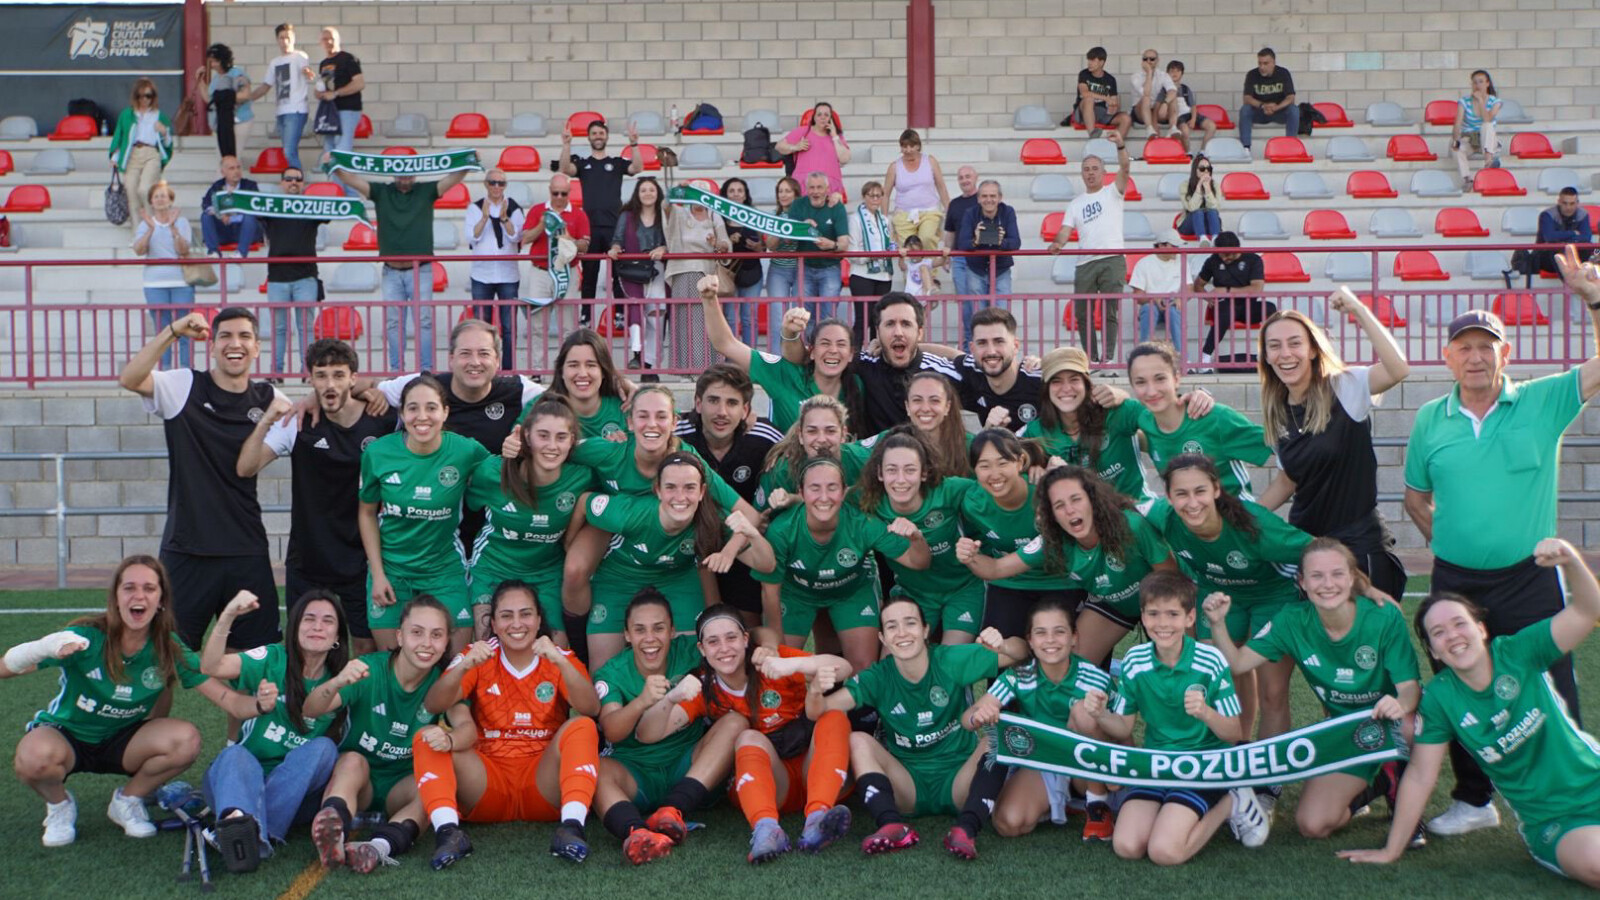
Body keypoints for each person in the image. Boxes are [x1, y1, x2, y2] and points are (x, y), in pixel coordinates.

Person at [1402, 247, 1600, 836]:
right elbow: (1416, 498)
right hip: (1455, 584)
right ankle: (1474, 799)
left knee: (1553, 683)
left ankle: (1580, 791)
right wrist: (1457, 540)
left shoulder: (1542, 400)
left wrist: (1593, 300)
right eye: (1464, 346)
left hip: (1529, 576)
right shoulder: (1429, 420)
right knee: (1458, 683)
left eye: (1486, 346)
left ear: (1504, 354)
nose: (1475, 356)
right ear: (1447, 357)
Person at [1339, 538, 1600, 888]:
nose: (1453, 636)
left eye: (1460, 624)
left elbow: (1586, 610)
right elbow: (1419, 777)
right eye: (1438, 633)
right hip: (1556, 820)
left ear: (1481, 629)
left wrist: (1570, 560)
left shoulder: (1518, 652)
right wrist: (1391, 849)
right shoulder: (1440, 699)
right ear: (1434, 650)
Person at [1, 556, 256, 848]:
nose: (139, 596)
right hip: (68, 735)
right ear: (116, 597)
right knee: (32, 759)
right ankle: (59, 806)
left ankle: (127, 800)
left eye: (149, 588)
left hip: (123, 741)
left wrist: (262, 701)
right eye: (129, 588)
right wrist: (43, 648)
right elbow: (6, 667)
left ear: (161, 600)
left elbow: (230, 701)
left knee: (185, 740)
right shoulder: (85, 639)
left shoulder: (168, 647)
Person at [1204, 538, 1421, 841]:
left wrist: (1398, 704)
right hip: (1344, 731)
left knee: (1414, 727)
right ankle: (1381, 782)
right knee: (1312, 824)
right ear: (1302, 582)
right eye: (1317, 576)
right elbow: (1239, 663)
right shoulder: (1292, 620)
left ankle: (1407, 794)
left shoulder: (1382, 616)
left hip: (1391, 722)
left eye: (1336, 574)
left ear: (1351, 577)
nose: (1327, 584)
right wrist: (1217, 624)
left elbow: (1410, 688)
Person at [119, 309, 286, 651]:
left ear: (257, 348)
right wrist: (173, 331)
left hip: (245, 550)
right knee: (162, 656)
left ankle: (237, 709)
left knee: (250, 662)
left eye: (244, 336)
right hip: (186, 549)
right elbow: (131, 378)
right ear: (212, 345)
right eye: (225, 336)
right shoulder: (183, 385)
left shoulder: (272, 401)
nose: (234, 344)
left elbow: (317, 413)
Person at [1077, 570, 1271, 863]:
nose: (1163, 623)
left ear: (1190, 618)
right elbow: (1123, 728)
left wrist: (1205, 712)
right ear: (1142, 616)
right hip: (1157, 763)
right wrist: (1101, 714)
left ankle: (1232, 800)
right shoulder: (1134, 661)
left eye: (1172, 614)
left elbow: (1233, 732)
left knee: (1165, 852)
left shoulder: (1211, 660)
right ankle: (1173, 810)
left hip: (1203, 764)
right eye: (1153, 614)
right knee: (1127, 847)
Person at [809, 598, 1026, 859]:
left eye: (910, 623)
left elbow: (1022, 652)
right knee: (857, 739)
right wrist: (815, 691)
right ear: (883, 638)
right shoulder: (878, 677)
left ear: (925, 630)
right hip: (907, 786)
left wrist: (1004, 644)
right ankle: (891, 824)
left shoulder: (949, 660)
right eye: (892, 626)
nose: (901, 633)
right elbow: (819, 711)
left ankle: (966, 829)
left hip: (959, 781)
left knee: (997, 734)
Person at [633, 606, 854, 863]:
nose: (724, 648)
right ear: (702, 650)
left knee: (834, 716)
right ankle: (766, 829)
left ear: (746, 639)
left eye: (731, 638)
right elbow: (645, 734)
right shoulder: (704, 685)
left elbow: (844, 668)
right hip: (768, 783)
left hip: (814, 772)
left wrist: (792, 664)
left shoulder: (771, 663)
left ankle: (818, 819)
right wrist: (671, 698)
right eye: (713, 642)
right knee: (748, 737)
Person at [1148, 453, 1312, 791]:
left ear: (1216, 490)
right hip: (1221, 595)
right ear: (1168, 496)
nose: (1191, 503)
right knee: (1219, 671)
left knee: (1273, 689)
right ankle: (1238, 748)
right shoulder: (1164, 516)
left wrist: (1364, 586)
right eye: (1181, 494)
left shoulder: (1255, 524)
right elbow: (1124, 509)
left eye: (1199, 492)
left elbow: (1318, 549)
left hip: (1273, 595)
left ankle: (1268, 783)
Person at [412, 580, 602, 868]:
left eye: (526, 614)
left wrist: (561, 662)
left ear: (539, 619)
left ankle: (572, 826)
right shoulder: (478, 655)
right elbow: (433, 704)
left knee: (583, 727)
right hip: (488, 783)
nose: (517, 624)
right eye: (506, 615)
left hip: (542, 782)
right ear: (494, 623)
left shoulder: (556, 655)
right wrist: (463, 665)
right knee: (427, 736)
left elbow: (591, 708)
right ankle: (448, 832)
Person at [238, 339, 395, 655]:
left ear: (354, 378)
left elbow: (423, 392)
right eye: (321, 376)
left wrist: (373, 388)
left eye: (338, 375)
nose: (330, 383)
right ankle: (308, 706)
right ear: (310, 379)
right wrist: (267, 420)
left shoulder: (385, 419)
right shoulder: (298, 423)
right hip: (309, 560)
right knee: (304, 650)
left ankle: (355, 706)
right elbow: (246, 467)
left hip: (363, 559)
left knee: (366, 647)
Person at [1253, 291, 1412, 600]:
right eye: (1274, 346)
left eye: (1295, 343)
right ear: (1267, 357)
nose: (1285, 354)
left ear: (1313, 349)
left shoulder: (1343, 386)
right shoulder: (1277, 410)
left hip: (1359, 545)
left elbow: (1398, 370)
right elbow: (1289, 479)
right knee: (1311, 645)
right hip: (1309, 546)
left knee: (1368, 644)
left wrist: (1359, 310)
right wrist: (1245, 518)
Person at [961, 466, 1177, 668]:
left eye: (1076, 499)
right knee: (1068, 666)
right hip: (1113, 603)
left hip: (1161, 597)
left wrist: (1157, 616)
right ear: (1050, 515)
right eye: (1059, 506)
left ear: (1093, 500)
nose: (1070, 510)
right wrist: (970, 555)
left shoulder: (1130, 525)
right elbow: (996, 569)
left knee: (1178, 663)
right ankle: (1100, 702)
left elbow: (1171, 578)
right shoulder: (1052, 542)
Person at [591, 589, 747, 865]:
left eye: (658, 628)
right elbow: (612, 730)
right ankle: (636, 832)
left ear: (673, 631)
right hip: (635, 771)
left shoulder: (690, 651)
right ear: (627, 635)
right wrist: (641, 702)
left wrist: (768, 645)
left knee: (735, 723)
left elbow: (754, 636)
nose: (650, 639)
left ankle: (673, 810)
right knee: (597, 769)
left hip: (688, 766)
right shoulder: (613, 671)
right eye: (639, 630)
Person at [198, 589, 348, 872]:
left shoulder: (341, 680)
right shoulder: (272, 657)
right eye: (309, 619)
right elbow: (211, 666)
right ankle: (251, 829)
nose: (317, 626)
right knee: (235, 755)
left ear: (338, 635)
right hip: (237, 781)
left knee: (324, 750)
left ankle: (241, 827)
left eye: (328, 621)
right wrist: (228, 614)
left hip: (294, 794)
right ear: (294, 628)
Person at [580, 452, 772, 670]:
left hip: (677, 577)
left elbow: (767, 565)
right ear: (658, 491)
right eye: (671, 487)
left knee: (692, 663)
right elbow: (584, 503)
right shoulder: (629, 512)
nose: (680, 497)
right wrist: (571, 547)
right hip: (619, 577)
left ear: (702, 492)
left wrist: (741, 541)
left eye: (690, 487)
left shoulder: (710, 519)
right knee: (603, 671)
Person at [303, 596, 449, 874]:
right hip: (362, 782)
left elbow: (467, 729)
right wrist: (336, 682)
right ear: (400, 636)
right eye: (417, 633)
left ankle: (378, 847)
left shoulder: (444, 683)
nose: (427, 643)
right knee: (351, 761)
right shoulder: (370, 669)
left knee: (432, 787)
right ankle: (334, 825)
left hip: (401, 785)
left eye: (436, 635)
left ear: (445, 641)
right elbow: (310, 709)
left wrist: (449, 738)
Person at [963, 597, 1117, 841]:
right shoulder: (1021, 674)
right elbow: (967, 718)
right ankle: (1059, 799)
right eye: (1041, 633)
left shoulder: (1096, 679)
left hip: (1086, 763)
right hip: (1045, 760)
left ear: (1074, 637)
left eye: (1059, 632)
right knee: (1007, 823)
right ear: (1030, 641)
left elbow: (1120, 730)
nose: (1050, 641)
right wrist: (979, 716)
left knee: (1083, 712)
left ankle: (1098, 805)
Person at [758, 457, 931, 674]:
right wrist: (776, 647)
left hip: (852, 591)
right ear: (801, 493)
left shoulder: (862, 524)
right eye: (814, 488)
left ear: (843, 491)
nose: (824, 497)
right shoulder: (782, 530)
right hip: (797, 595)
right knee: (783, 668)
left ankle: (855, 707)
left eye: (832, 488)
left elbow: (919, 561)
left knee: (864, 670)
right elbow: (770, 592)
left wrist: (916, 538)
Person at [358, 374, 491, 651]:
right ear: (402, 413)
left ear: (445, 412)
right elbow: (367, 513)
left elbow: (505, 475)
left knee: (457, 662)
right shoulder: (379, 453)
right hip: (392, 569)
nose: (422, 416)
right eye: (413, 408)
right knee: (395, 662)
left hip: (443, 569)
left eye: (431, 407)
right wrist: (378, 574)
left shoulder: (465, 450)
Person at [464, 398, 594, 647]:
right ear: (527, 436)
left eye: (561, 437)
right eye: (543, 436)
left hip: (545, 571)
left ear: (572, 441)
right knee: (484, 641)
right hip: (493, 566)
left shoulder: (582, 477)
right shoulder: (493, 472)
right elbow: (470, 505)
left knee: (557, 648)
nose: (552, 446)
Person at [674, 365, 784, 626]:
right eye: (713, 400)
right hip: (689, 539)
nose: (722, 412)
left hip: (743, 535)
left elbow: (794, 455)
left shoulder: (764, 437)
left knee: (745, 626)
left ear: (746, 410)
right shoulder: (677, 436)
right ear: (698, 403)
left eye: (732, 403)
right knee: (697, 625)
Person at [333, 163, 471, 373]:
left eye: (408, 175)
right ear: (394, 174)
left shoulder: (426, 191)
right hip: (392, 270)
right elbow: (354, 181)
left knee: (424, 322)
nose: (405, 179)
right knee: (393, 323)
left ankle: (426, 369)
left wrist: (467, 162)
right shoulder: (382, 191)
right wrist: (334, 166)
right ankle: (396, 369)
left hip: (420, 269)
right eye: (401, 175)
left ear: (415, 175)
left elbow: (452, 180)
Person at [856, 430, 986, 643]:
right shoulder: (869, 500)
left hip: (962, 588)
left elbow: (995, 488)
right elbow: (830, 500)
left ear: (924, 473)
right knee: (894, 665)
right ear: (879, 473)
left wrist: (1034, 465)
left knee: (952, 665)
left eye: (910, 470)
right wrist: (792, 499)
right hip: (913, 591)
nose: (900, 480)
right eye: (891, 470)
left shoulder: (948, 490)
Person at [953, 429, 1075, 639]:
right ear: (974, 470)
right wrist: (969, 555)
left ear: (1020, 462)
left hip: (1061, 581)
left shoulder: (1046, 491)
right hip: (1009, 583)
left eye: (1002, 463)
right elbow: (991, 567)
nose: (994, 474)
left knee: (1061, 654)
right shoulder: (973, 504)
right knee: (997, 654)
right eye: (984, 466)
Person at [703, 278, 865, 434]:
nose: (833, 350)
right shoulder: (785, 375)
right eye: (825, 343)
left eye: (841, 344)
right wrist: (709, 299)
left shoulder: (858, 385)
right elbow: (725, 343)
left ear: (851, 355)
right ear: (812, 351)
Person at [364, 319, 546, 458]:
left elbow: (562, 400)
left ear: (497, 360)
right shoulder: (424, 385)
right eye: (465, 353)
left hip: (493, 498)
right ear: (451, 359)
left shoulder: (518, 390)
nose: (475, 362)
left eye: (484, 354)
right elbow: (358, 383)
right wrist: (373, 392)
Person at [785, 293, 961, 436]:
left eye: (906, 324)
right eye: (890, 324)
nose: (898, 332)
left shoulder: (942, 372)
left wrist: (920, 347)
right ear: (878, 332)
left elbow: (976, 367)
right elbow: (803, 358)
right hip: (876, 469)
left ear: (920, 332)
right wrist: (789, 332)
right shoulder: (865, 363)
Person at [1022, 346, 1179, 505]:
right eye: (1056, 381)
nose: (1066, 389)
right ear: (1047, 388)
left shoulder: (1117, 412)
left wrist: (1199, 398)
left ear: (1086, 384)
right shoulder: (1036, 430)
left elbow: (1166, 418)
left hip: (1135, 512)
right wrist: (1035, 469)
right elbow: (1011, 459)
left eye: (1074, 379)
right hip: (1081, 521)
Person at [1128, 341, 1271, 499]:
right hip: (1189, 517)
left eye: (1160, 379)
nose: (1151, 391)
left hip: (1234, 516)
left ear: (1176, 379)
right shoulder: (1145, 421)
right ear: (1132, 386)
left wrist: (1259, 510)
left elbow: (1284, 447)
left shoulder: (1215, 417)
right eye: (1140, 382)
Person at [1049, 132, 1130, 363]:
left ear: (1104, 172)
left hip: (1112, 258)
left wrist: (1121, 145)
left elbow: (1125, 169)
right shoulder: (1076, 203)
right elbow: (1066, 229)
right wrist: (1058, 243)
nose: (1091, 172)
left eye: (1095, 168)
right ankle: (1093, 359)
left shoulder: (1112, 192)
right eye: (1087, 169)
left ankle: (1110, 359)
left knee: (1109, 311)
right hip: (1085, 262)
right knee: (1082, 313)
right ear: (1082, 174)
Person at [561, 117, 643, 320]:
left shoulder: (616, 163)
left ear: (606, 136)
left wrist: (634, 144)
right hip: (589, 227)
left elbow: (637, 168)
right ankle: (586, 314)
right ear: (589, 137)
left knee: (617, 272)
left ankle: (619, 314)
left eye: (601, 133)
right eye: (594, 133)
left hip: (614, 227)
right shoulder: (583, 163)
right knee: (590, 273)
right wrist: (566, 144)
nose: (598, 136)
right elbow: (565, 169)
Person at [257, 166, 324, 376]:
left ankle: (307, 372)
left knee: (305, 328)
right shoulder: (271, 208)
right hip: (277, 278)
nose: (293, 182)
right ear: (282, 183)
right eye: (288, 179)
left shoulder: (312, 207)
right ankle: (276, 373)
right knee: (279, 329)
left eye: (298, 179)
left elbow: (334, 212)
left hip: (306, 277)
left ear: (303, 184)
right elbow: (249, 210)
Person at [756, 394, 876, 504]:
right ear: (800, 435)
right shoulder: (781, 473)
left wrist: (796, 499)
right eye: (812, 431)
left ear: (843, 434)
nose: (822, 439)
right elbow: (762, 519)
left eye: (830, 431)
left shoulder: (865, 461)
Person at [663, 188, 731, 372]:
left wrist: (716, 244)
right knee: (683, 322)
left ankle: (710, 368)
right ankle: (685, 369)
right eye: (694, 195)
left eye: (702, 196)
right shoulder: (680, 213)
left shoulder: (714, 216)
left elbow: (726, 245)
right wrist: (676, 190)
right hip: (682, 272)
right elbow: (666, 207)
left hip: (707, 274)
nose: (699, 200)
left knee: (707, 322)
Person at [131, 182, 195, 370]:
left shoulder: (181, 222)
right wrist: (151, 229)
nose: (160, 199)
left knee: (185, 327)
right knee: (163, 331)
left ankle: (186, 369)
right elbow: (138, 250)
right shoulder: (145, 224)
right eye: (156, 196)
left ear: (171, 200)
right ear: (151, 201)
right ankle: (166, 369)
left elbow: (183, 250)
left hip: (181, 282)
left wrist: (173, 227)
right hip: (155, 283)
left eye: (164, 196)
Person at [466, 168, 526, 368]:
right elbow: (472, 237)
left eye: (501, 183)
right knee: (481, 327)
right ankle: (483, 366)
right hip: (482, 274)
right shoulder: (475, 208)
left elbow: (516, 237)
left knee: (509, 327)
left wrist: (503, 219)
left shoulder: (514, 208)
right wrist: (484, 218)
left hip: (507, 274)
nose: (497, 187)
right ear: (486, 184)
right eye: (492, 182)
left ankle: (508, 370)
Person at [606, 177, 666, 376]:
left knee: (656, 317)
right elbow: (617, 240)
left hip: (656, 270)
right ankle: (637, 353)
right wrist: (614, 249)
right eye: (643, 190)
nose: (648, 193)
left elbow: (671, 239)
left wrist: (664, 248)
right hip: (632, 270)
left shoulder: (664, 214)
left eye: (651, 189)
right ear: (637, 194)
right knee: (635, 308)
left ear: (657, 193)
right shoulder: (627, 215)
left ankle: (650, 364)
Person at [523, 172, 592, 342]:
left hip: (567, 272)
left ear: (570, 192)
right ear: (549, 191)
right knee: (537, 326)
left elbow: (585, 246)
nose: (559, 197)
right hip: (541, 271)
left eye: (564, 193)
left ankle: (566, 367)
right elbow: (525, 239)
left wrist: (570, 241)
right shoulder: (537, 210)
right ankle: (537, 369)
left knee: (568, 326)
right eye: (555, 193)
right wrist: (541, 225)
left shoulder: (579, 214)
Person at [1194, 231, 1274, 371]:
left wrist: (1226, 291)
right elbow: (1198, 284)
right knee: (1225, 310)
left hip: (1249, 304)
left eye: (1229, 254)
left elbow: (1257, 288)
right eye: (1222, 254)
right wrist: (1208, 298)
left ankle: (1269, 352)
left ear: (1238, 248)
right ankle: (1205, 355)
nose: (1225, 258)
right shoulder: (1213, 260)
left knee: (1271, 308)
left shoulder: (1253, 259)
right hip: (1224, 305)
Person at [953, 307, 1041, 432]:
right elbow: (931, 358)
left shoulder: (1039, 381)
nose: (991, 351)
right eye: (982, 343)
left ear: (1015, 346)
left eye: (999, 341)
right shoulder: (971, 371)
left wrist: (1050, 362)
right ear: (972, 349)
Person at [785, 171, 851, 325]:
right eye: (812, 188)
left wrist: (831, 245)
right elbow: (787, 239)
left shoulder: (836, 207)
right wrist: (801, 227)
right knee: (801, 317)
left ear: (827, 189)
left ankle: (823, 348)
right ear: (806, 189)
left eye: (819, 187)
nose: (815, 192)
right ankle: (804, 349)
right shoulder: (798, 205)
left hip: (830, 268)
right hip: (804, 267)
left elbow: (844, 243)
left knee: (827, 317)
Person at [109, 78, 174, 228]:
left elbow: (168, 144)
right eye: (140, 96)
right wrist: (115, 155)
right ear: (135, 96)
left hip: (151, 153)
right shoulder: (127, 114)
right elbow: (120, 135)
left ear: (154, 97)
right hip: (131, 155)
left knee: (145, 189)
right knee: (131, 193)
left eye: (148, 96)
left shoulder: (159, 115)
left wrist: (164, 132)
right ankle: (138, 234)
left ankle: (153, 226)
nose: (144, 100)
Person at [949, 180, 1021, 316]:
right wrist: (976, 240)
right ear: (978, 198)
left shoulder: (1008, 212)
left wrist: (1001, 242)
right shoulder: (970, 213)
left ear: (1000, 198)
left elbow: (1016, 242)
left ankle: (1001, 337)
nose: (989, 200)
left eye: (993, 196)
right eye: (984, 196)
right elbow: (962, 243)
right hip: (976, 270)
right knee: (978, 315)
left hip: (1001, 270)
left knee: (1002, 314)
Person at [249, 23, 314, 172]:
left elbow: (306, 68)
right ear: (277, 40)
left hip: (296, 110)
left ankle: (297, 180)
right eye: (281, 38)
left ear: (293, 39)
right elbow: (266, 86)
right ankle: (295, 179)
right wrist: (247, 99)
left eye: (288, 38)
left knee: (289, 151)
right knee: (288, 151)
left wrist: (308, 72)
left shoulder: (300, 56)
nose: (285, 41)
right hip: (281, 112)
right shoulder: (275, 62)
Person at [545, 327, 631, 439]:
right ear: (561, 371)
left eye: (591, 365)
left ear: (603, 371)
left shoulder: (625, 407)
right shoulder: (541, 407)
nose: (582, 374)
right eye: (573, 365)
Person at [883, 129, 949, 266]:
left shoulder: (930, 161)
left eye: (911, 146)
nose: (908, 150)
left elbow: (941, 186)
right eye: (904, 146)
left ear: (918, 146)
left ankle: (931, 275)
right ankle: (912, 280)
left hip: (929, 211)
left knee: (927, 237)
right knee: (908, 249)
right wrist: (883, 219)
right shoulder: (894, 166)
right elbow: (886, 194)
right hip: (904, 214)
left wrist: (949, 209)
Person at [847, 180, 896, 347]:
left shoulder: (885, 220)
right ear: (864, 197)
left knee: (879, 320)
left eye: (878, 196)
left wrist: (893, 250)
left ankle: (877, 355)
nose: (875, 199)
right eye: (871, 195)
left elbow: (890, 243)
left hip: (884, 275)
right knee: (863, 318)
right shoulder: (855, 219)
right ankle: (855, 357)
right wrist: (872, 257)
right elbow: (852, 252)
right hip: (862, 274)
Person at [719, 178, 767, 345]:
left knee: (749, 318)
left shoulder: (755, 216)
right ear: (725, 194)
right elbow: (714, 246)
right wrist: (728, 242)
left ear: (746, 195)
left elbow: (764, 247)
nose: (736, 194)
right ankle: (731, 360)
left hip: (752, 273)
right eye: (732, 191)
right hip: (729, 275)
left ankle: (750, 358)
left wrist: (757, 247)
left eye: (740, 191)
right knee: (730, 319)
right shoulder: (719, 217)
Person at [315, 27, 364, 189]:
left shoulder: (349, 59)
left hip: (348, 110)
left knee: (342, 155)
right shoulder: (323, 64)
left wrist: (335, 94)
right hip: (330, 114)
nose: (328, 42)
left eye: (331, 38)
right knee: (330, 155)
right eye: (324, 39)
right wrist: (320, 93)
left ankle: (350, 196)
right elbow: (325, 86)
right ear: (320, 42)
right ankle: (338, 192)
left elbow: (359, 83)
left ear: (338, 39)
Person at [763, 176, 806, 351]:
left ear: (796, 193)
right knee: (777, 316)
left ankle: (796, 358)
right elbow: (770, 246)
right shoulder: (774, 215)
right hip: (778, 270)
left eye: (788, 191)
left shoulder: (803, 213)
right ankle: (775, 359)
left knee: (798, 317)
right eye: (780, 191)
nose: (783, 195)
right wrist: (781, 231)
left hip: (800, 270)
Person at [777, 101, 851, 200]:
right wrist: (795, 147)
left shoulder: (836, 136)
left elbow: (844, 159)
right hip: (804, 184)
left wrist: (834, 136)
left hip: (829, 186)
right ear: (814, 117)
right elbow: (779, 146)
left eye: (826, 115)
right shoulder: (803, 131)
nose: (823, 117)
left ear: (830, 119)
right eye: (819, 114)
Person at [1130, 229, 1186, 347]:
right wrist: (1154, 299)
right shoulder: (1144, 263)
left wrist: (1180, 298)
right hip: (1151, 305)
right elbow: (1138, 295)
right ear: (1161, 245)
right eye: (1175, 246)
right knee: (1149, 309)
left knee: (1173, 311)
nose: (1178, 250)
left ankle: (1183, 358)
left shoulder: (1182, 261)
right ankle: (1143, 353)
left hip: (1172, 305)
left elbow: (1189, 288)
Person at [199, 43, 254, 160]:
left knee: (232, 157)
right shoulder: (216, 78)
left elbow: (246, 94)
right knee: (222, 159)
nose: (213, 65)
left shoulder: (236, 73)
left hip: (239, 120)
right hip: (221, 122)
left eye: (215, 61)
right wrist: (200, 81)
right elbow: (209, 100)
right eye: (211, 62)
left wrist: (226, 97)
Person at [1238, 47, 1299, 153]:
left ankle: (1291, 145)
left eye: (1265, 63)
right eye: (1260, 63)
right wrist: (1263, 106)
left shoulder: (1283, 73)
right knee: (1245, 110)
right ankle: (1246, 148)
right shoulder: (1252, 74)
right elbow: (1247, 98)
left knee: (1294, 110)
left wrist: (1276, 107)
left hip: (1279, 112)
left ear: (1273, 63)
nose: (1262, 67)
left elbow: (1291, 98)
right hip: (1260, 111)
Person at [942, 165, 981, 329]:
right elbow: (950, 232)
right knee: (965, 304)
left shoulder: (984, 199)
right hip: (959, 259)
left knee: (979, 303)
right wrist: (946, 255)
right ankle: (967, 345)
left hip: (979, 258)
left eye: (968, 176)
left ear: (975, 178)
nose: (964, 180)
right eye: (961, 178)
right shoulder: (955, 204)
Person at [200, 155, 261, 258]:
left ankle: (241, 253)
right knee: (205, 216)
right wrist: (220, 214)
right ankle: (213, 251)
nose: (236, 171)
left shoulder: (250, 186)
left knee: (250, 216)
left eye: (238, 167)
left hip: (243, 230)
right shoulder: (217, 186)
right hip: (224, 230)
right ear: (223, 172)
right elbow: (206, 205)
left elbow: (256, 208)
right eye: (232, 168)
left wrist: (233, 216)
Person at [1451, 69, 1502, 190]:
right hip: (1470, 139)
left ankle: (1488, 162)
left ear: (1487, 83)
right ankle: (1467, 179)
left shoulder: (1495, 101)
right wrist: (1455, 141)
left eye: (1480, 82)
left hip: (1488, 140)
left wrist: (1480, 101)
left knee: (1487, 125)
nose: (1477, 85)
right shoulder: (1464, 101)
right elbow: (1457, 124)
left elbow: (1487, 119)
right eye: (1474, 82)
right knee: (1457, 150)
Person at [1068, 46, 1132, 140]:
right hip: (1084, 112)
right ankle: (1093, 134)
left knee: (1126, 118)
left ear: (1101, 62)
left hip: (1102, 112)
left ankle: (1115, 148)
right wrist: (1106, 98)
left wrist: (1114, 107)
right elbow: (1084, 93)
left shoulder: (1110, 79)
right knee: (1089, 100)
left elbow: (1114, 101)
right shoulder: (1084, 74)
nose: (1089, 63)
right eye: (1089, 60)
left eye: (1093, 60)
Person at [1535, 187, 1592, 286]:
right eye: (1565, 203)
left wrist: (1564, 239)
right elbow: (1550, 237)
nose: (1568, 207)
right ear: (1559, 202)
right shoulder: (1547, 215)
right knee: (1555, 248)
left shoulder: (1583, 214)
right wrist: (1573, 233)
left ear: (1577, 203)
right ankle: (1570, 284)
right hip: (1547, 258)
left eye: (1572, 203)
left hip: (1574, 255)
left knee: (1594, 249)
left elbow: (1586, 237)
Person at [1163, 60, 1216, 152]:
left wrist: (1193, 119)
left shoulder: (1185, 89)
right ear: (1167, 73)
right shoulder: (1164, 89)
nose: (1175, 73)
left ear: (1182, 74)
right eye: (1172, 71)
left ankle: (1203, 151)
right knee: (1185, 131)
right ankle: (1188, 153)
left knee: (1211, 126)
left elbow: (1193, 106)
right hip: (1177, 116)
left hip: (1188, 114)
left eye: (1178, 71)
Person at [1130, 49, 1178, 137]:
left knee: (1172, 97)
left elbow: (1173, 91)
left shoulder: (1163, 75)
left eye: (1152, 59)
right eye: (1145, 59)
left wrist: (1165, 103)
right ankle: (1149, 128)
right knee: (1146, 97)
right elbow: (1146, 93)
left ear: (1157, 61)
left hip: (1157, 110)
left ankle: (1173, 128)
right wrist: (1149, 73)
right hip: (1140, 111)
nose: (1148, 61)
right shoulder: (1135, 76)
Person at [1178, 154, 1220, 244]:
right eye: (1202, 169)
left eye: (1208, 169)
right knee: (1198, 211)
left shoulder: (1215, 185)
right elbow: (1191, 208)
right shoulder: (1184, 185)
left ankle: (1216, 238)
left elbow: (1215, 207)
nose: (1205, 171)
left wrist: (1208, 189)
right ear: (1195, 170)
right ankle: (1203, 239)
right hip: (1189, 224)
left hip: (1209, 223)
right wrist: (1199, 188)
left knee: (1212, 211)